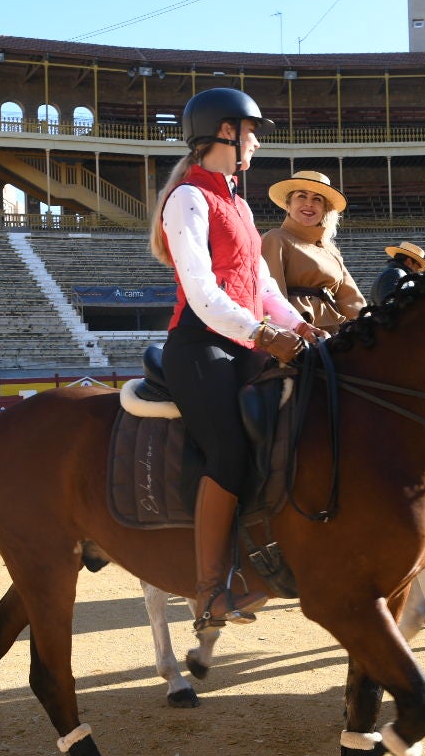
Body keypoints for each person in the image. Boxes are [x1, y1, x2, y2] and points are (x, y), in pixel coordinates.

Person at [151, 87, 319, 631]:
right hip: (201, 346)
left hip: (246, 341)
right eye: (251, 133)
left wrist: (298, 326)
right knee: (226, 449)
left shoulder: (239, 204)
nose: (255, 143)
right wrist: (265, 334)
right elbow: (203, 293)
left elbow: (263, 283)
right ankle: (207, 593)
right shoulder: (187, 199)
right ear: (225, 132)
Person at [259, 170, 365, 331]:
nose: (309, 203)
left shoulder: (331, 251)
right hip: (297, 332)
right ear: (288, 205)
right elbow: (271, 295)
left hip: (334, 332)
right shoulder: (275, 238)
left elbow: (351, 300)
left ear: (324, 209)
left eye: (317, 199)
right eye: (301, 196)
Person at [371, 241, 425, 306]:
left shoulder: (390, 273)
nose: (419, 270)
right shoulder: (397, 274)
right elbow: (392, 307)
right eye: (418, 266)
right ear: (409, 262)